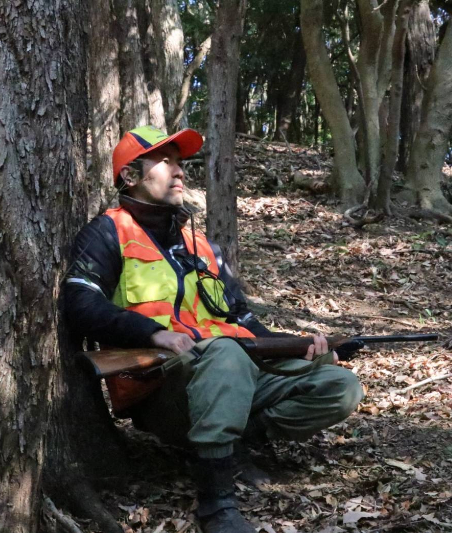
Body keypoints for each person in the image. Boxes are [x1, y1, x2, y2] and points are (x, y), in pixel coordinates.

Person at [64, 125, 363, 533]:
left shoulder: (202, 245)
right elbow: (80, 305)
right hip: (160, 388)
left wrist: (296, 346)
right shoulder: (106, 231)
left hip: (231, 371)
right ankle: (216, 502)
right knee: (225, 353)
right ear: (131, 177)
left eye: (181, 162)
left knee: (339, 386)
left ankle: (233, 444)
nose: (179, 171)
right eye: (165, 161)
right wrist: (152, 333)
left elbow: (242, 320)